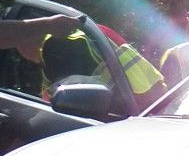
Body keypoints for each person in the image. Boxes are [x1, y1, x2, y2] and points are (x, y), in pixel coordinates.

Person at [21, 19, 168, 111]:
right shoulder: (92, 30)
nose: (21, 53)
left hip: (130, 112)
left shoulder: (56, 48)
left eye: (17, 45)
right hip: (157, 100)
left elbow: (65, 104)